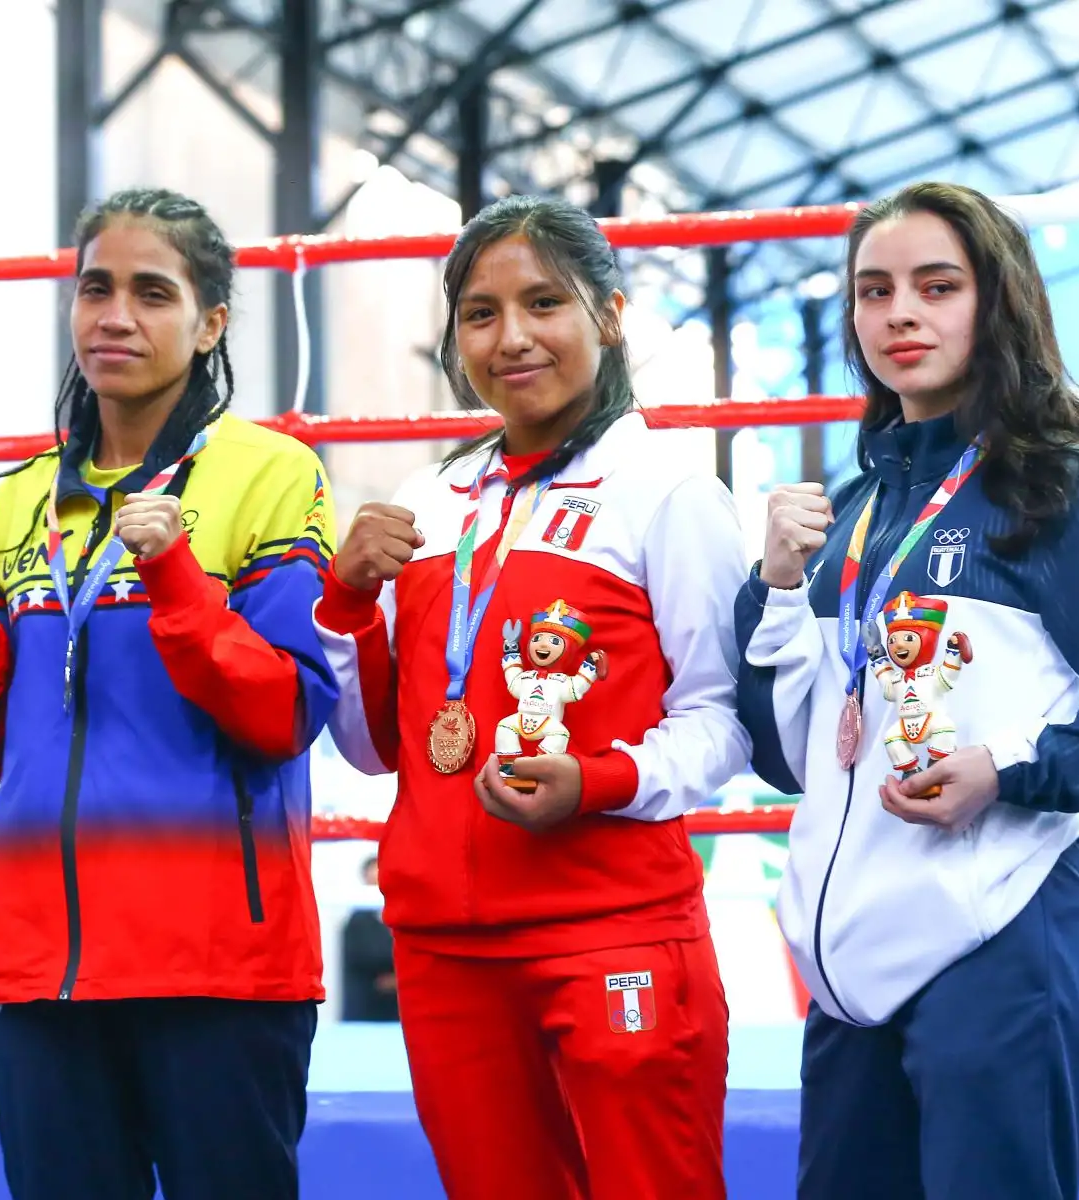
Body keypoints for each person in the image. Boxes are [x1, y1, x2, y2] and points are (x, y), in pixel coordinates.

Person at [734, 180, 1079, 1200]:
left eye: (936, 285)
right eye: (874, 291)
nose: (901, 314)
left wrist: (1011, 773)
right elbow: (790, 758)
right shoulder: (856, 511)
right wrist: (772, 592)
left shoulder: (1055, 491)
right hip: (853, 973)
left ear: (995, 301)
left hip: (1005, 941)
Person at [0, 187, 339, 1200]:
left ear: (211, 320)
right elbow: (15, 746)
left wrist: (176, 575)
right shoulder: (14, 498)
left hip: (217, 962)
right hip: (40, 962)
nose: (115, 317)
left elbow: (284, 712)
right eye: (96, 288)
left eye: (152, 291)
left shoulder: (271, 475)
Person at [313, 194, 749, 1199]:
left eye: (543, 303)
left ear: (609, 313)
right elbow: (379, 749)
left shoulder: (668, 492)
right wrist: (345, 606)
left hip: (611, 928)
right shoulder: (430, 502)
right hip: (443, 950)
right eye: (480, 312)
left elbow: (725, 722)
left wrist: (597, 780)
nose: (511, 338)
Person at [339, 856, 398, 1022]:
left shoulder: (407, 919)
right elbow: (360, 957)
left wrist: (397, 979)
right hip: (366, 1007)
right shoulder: (357, 921)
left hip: (399, 1008)